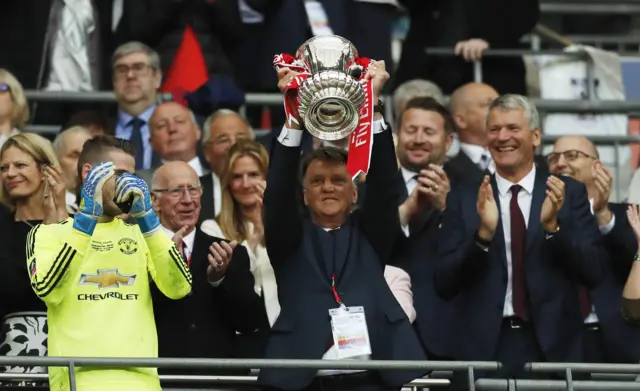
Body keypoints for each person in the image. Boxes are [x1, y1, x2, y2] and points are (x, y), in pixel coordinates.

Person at [259, 60, 426, 391]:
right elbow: (276, 194)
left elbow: (384, 185)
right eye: (317, 181)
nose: (327, 187)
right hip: (304, 380)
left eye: (338, 180)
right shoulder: (289, 238)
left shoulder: (371, 234)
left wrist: (373, 105)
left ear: (353, 194)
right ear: (304, 195)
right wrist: (293, 117)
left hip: (372, 378)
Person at [435, 94, 608, 387]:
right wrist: (482, 237)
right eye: (494, 129)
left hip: (554, 349)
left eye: (513, 128)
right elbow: (444, 283)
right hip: (484, 349)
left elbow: (593, 271)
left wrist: (553, 228)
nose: (503, 137)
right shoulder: (465, 197)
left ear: (535, 136)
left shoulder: (568, 193)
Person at [26, 135, 192, 391]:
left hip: (142, 384)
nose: (130, 185)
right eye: (120, 174)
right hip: (76, 382)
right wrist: (85, 223)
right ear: (89, 174)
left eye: (133, 176)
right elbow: (50, 291)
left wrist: (148, 220)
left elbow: (179, 287)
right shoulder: (47, 234)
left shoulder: (142, 235)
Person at [151, 161, 264, 383]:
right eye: (176, 191)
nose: (187, 200)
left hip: (220, 380)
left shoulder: (230, 252)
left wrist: (219, 279)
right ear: (155, 200)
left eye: (193, 190)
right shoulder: (138, 250)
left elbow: (250, 322)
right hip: (158, 380)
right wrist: (168, 263)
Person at [548, 135, 640, 363]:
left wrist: (603, 215)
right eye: (553, 158)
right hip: (560, 344)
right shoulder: (540, 218)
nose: (560, 163)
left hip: (620, 341)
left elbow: (630, 259)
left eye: (572, 156)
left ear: (597, 166)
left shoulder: (629, 215)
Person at [0, 133, 66, 383]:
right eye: (4, 168)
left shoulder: (73, 224)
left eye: (20, 165)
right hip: (8, 359)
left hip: (67, 355)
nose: (10, 173)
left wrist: (57, 216)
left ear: (46, 171)